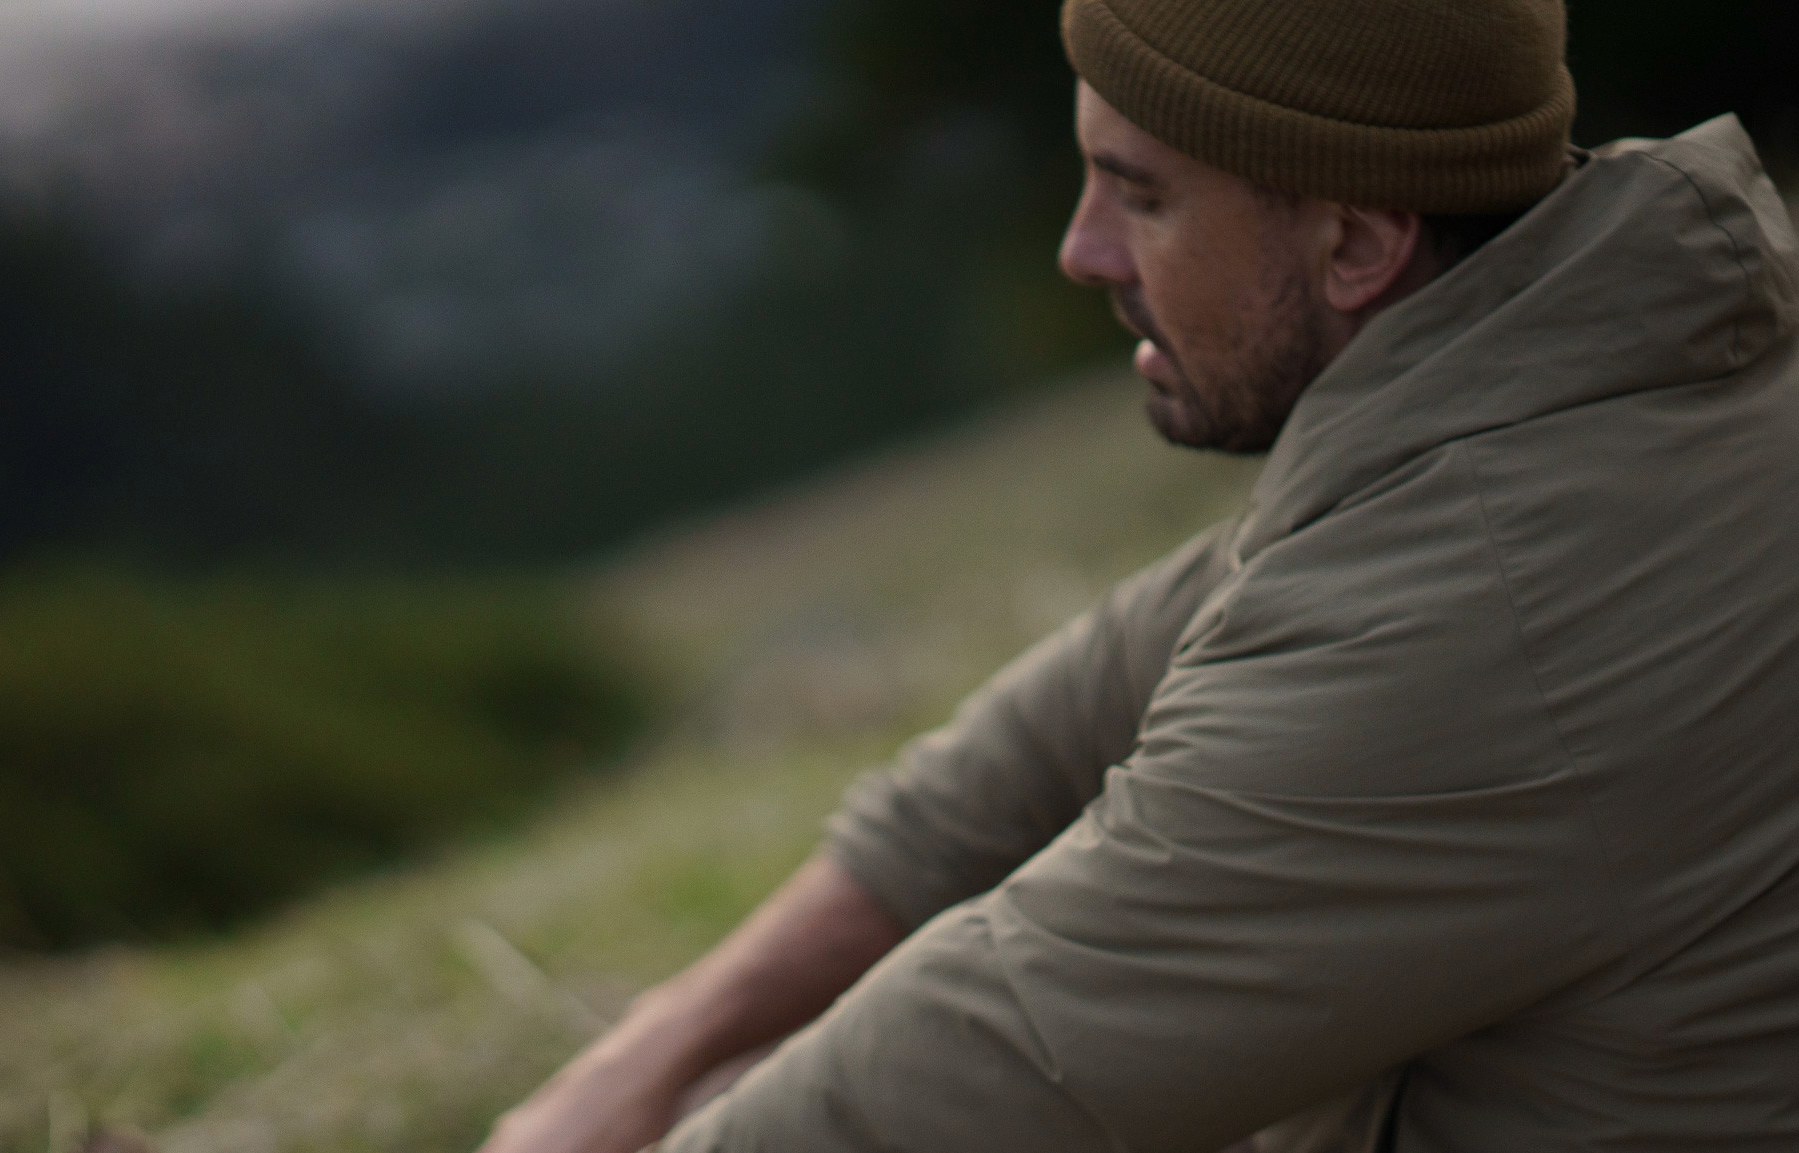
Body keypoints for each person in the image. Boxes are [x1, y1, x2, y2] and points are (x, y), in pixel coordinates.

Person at [482, 0, 1799, 1149]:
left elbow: (968, 1071)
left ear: (1354, 242)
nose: (1084, 250)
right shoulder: (1576, 396)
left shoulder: (1475, 614)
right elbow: (1053, 724)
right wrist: (646, 1054)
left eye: (1142, 194)